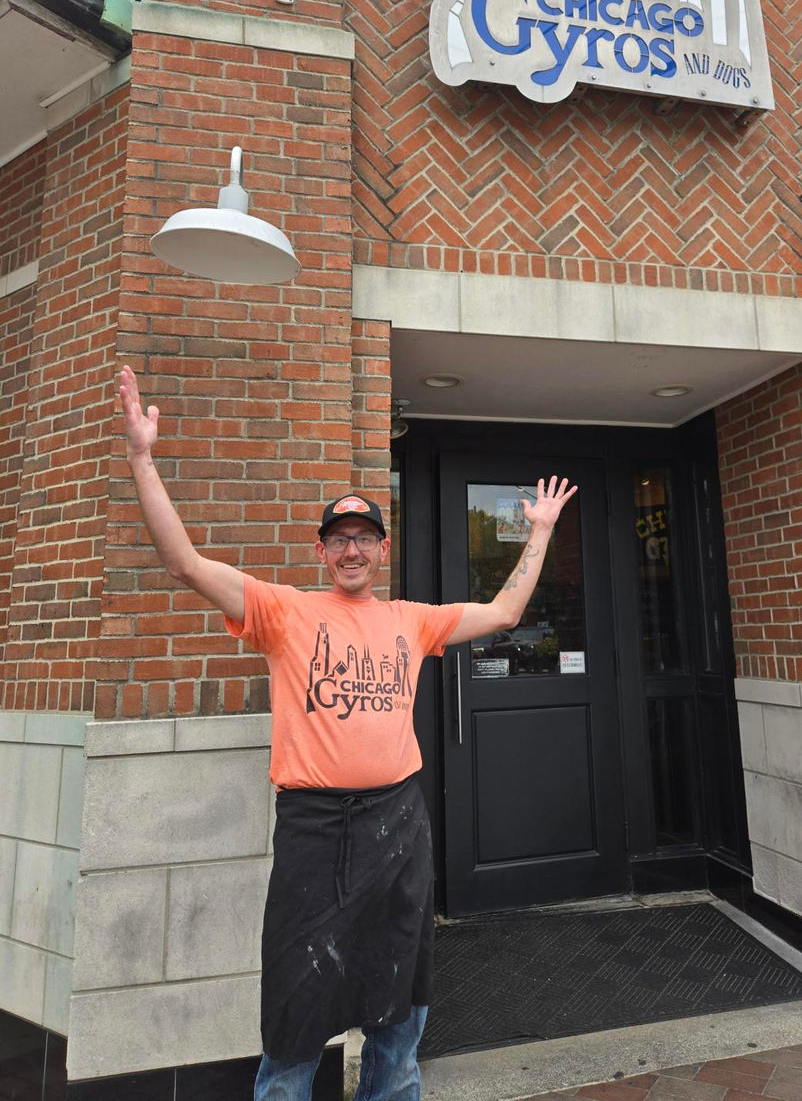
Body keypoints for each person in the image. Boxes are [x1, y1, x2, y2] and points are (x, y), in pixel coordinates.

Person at [117, 364, 577, 1101]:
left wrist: (541, 533)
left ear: (382, 550)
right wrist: (142, 457)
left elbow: (505, 615)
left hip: (399, 827)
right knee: (296, 1016)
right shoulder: (284, 611)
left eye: (365, 537)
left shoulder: (412, 620)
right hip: (313, 833)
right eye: (341, 539)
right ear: (322, 549)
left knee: (401, 1008)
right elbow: (184, 562)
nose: (353, 550)